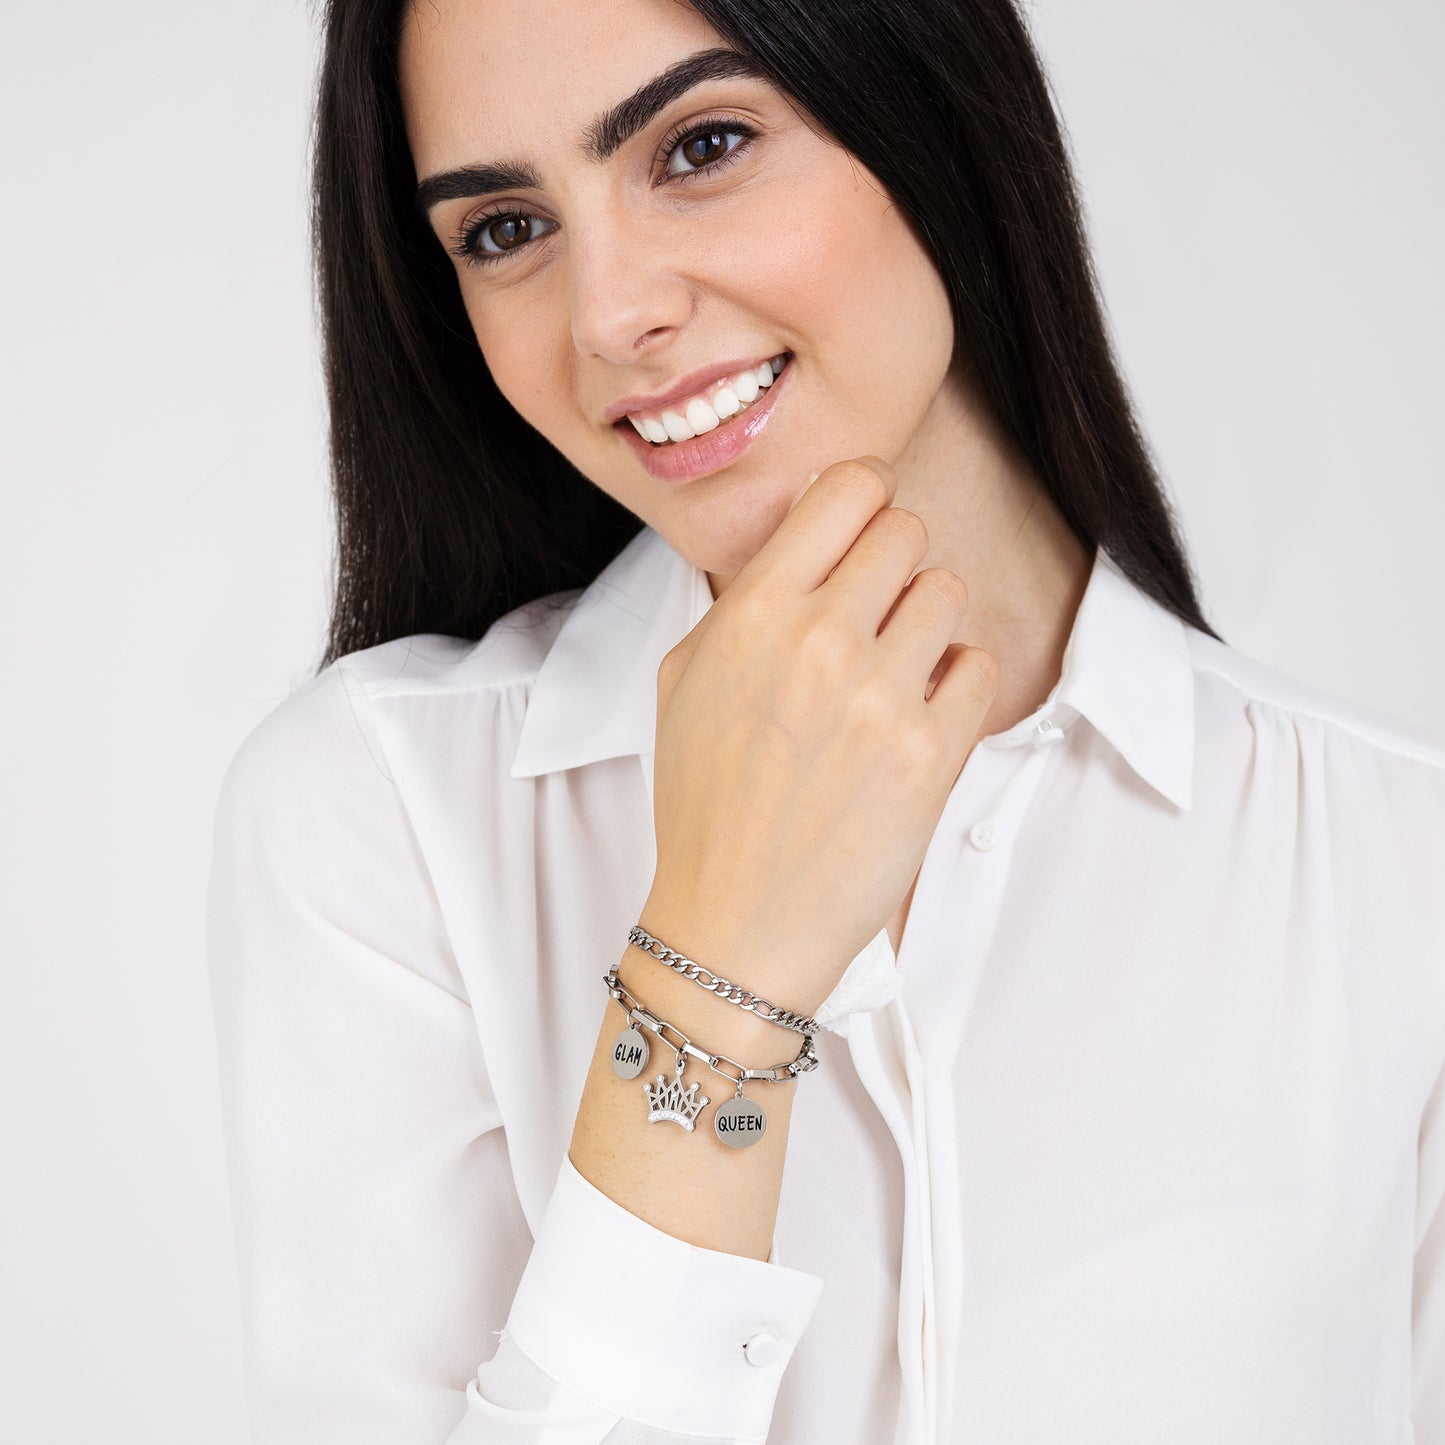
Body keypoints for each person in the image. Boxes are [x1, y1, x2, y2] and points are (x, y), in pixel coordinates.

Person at [205, 0, 1445, 1440]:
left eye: (703, 143)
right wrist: (716, 965)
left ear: (927, 116)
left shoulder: (1397, 867)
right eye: (501, 230)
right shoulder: (384, 810)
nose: (608, 315)